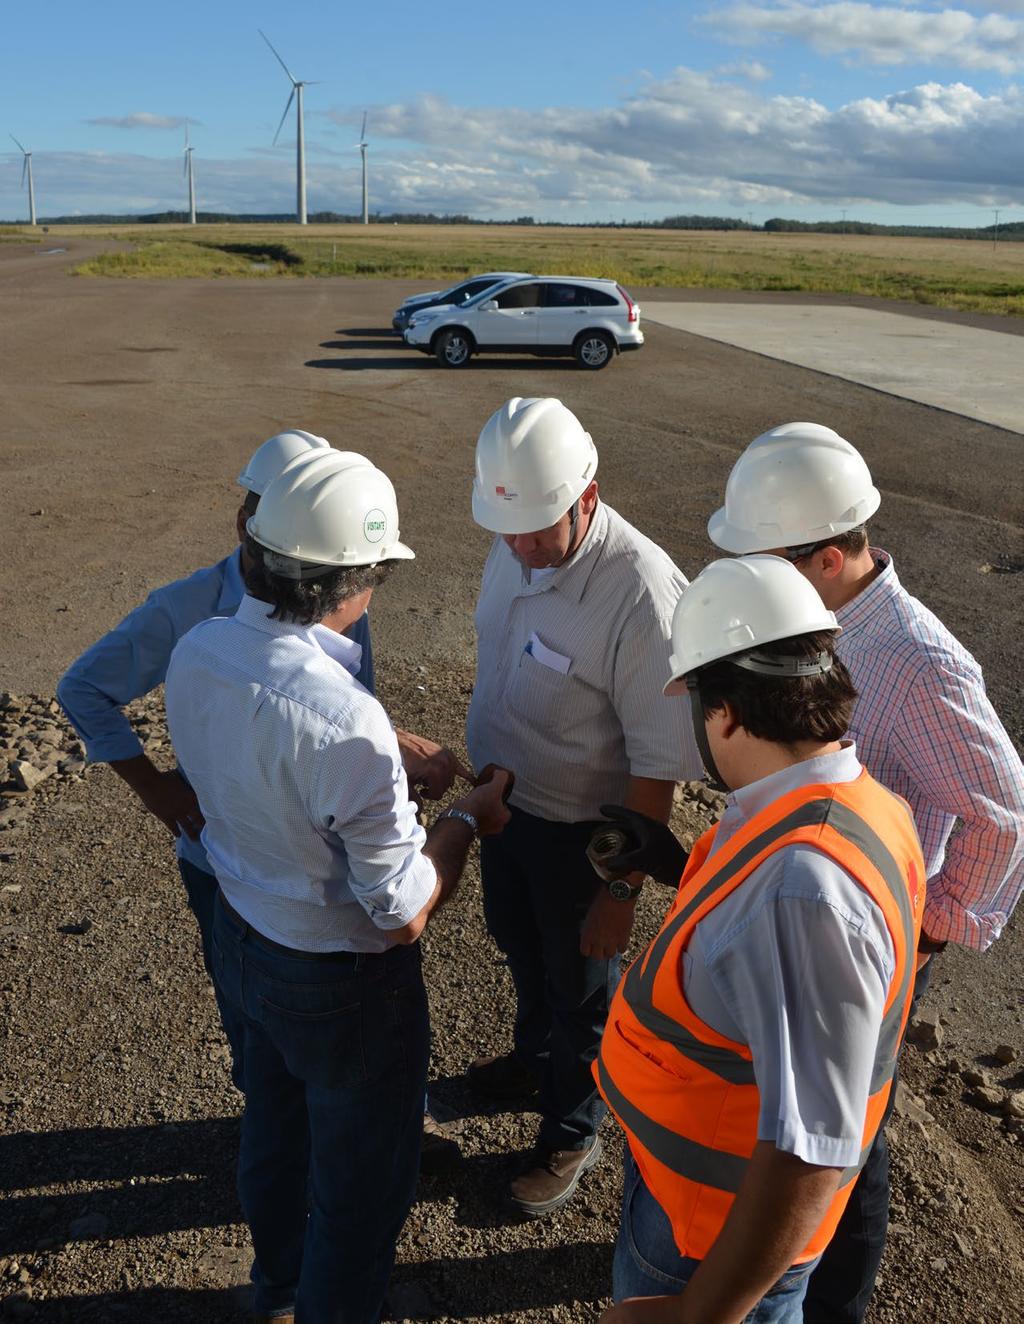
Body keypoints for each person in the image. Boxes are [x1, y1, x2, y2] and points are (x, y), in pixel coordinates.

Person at [164, 448, 512, 1323]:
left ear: (260, 556)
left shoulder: (199, 650)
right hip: (343, 982)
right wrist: (466, 820)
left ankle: (277, 1285)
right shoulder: (348, 723)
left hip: (244, 938)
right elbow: (398, 914)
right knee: (360, 1194)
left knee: (273, 1133)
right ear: (358, 583)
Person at [57, 431, 464, 1163]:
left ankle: (351, 1131)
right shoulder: (186, 611)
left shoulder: (327, 587)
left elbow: (319, 703)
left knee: (323, 1028)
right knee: (263, 1028)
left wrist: (392, 744)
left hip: (325, 873)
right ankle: (290, 1131)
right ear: (250, 523)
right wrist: (155, 787)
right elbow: (83, 687)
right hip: (227, 868)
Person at [708, 421, 1024, 1322]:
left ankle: (829, 1298)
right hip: (806, 902)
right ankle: (764, 1243)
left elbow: (1005, 809)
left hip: (871, 931)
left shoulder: (918, 661)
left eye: (763, 556)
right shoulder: (818, 626)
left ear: (829, 555)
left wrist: (935, 926)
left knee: (846, 1136)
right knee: (791, 1101)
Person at [594, 554, 925, 1323]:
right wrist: (673, 865)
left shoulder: (802, 892)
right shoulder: (852, 804)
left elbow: (811, 1148)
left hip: (706, 1240)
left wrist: (698, 1315)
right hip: (699, 1201)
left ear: (728, 714)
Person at [465, 396, 701, 1216]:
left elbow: (657, 763)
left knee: (584, 990)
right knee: (518, 944)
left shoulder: (639, 591)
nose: (521, 548)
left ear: (587, 498)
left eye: (538, 529)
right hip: (507, 813)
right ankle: (536, 1059)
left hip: (584, 839)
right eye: (508, 528)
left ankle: (572, 1127)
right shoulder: (515, 539)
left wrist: (620, 891)